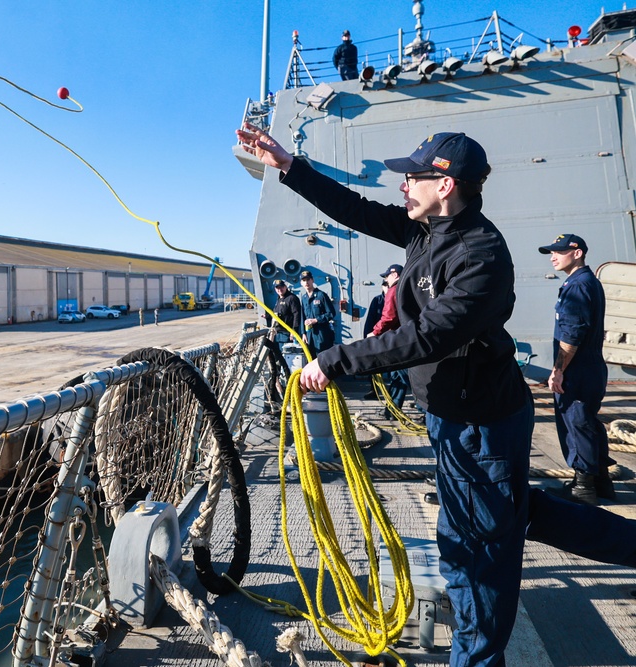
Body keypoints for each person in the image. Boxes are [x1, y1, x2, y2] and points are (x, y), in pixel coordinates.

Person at [235, 123, 636, 667]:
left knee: (478, 551)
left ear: (444, 185)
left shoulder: (481, 255)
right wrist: (288, 165)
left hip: (483, 422)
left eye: (412, 177)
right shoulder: (425, 232)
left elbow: (429, 336)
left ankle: (475, 660)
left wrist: (335, 360)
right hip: (451, 414)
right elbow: (354, 209)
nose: (402, 186)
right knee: (508, 516)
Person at [539, 234, 613, 504]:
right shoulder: (587, 282)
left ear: (577, 252)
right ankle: (601, 481)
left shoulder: (579, 285)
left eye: (558, 252)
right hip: (589, 365)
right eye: (551, 252)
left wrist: (558, 370)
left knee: (577, 423)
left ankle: (584, 488)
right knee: (588, 423)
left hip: (578, 369)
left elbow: (572, 334)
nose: (553, 257)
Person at [370, 263, 412, 419]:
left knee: (408, 377)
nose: (385, 280)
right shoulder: (408, 288)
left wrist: (374, 332)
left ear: (394, 275)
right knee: (399, 376)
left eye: (386, 276)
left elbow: (389, 317)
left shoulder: (394, 290)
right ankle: (393, 410)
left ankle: (426, 411)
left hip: (401, 342)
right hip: (409, 339)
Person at [299, 270, 335, 353]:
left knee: (323, 360)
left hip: (322, 334)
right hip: (309, 335)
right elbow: (302, 317)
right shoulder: (304, 298)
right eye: (304, 280)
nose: (306, 282)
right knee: (311, 359)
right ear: (301, 283)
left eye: (308, 279)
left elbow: (331, 313)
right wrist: (303, 333)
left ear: (312, 280)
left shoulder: (321, 295)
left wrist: (316, 320)